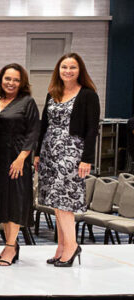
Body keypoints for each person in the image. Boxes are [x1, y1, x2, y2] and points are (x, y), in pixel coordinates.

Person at [34, 52, 100, 268]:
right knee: (54, 202)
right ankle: (61, 247)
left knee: (65, 201)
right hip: (49, 151)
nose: (68, 71)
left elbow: (92, 129)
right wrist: (37, 153)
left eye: (72, 67)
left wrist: (86, 158)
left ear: (79, 70)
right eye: (64, 67)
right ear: (58, 70)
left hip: (73, 151)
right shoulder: (52, 92)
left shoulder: (88, 95)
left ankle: (72, 246)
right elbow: (44, 124)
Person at [0, 64, 39, 267]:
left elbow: (34, 131)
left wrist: (22, 158)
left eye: (16, 80)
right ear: (1, 80)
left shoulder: (27, 102)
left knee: (15, 202)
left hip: (17, 158)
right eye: (8, 79)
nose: (11, 83)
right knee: (2, 202)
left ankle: (10, 246)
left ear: (22, 83)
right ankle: (11, 244)